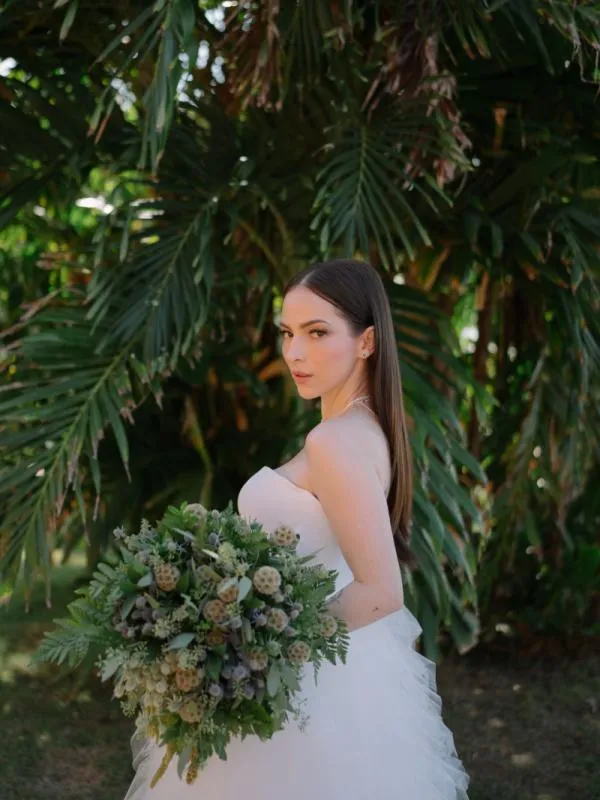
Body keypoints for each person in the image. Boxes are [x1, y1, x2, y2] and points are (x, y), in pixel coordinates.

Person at [124, 258, 470, 799]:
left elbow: (381, 591)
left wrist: (252, 645)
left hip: (304, 690)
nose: (295, 353)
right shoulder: (357, 429)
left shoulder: (335, 442)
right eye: (288, 333)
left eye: (317, 332)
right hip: (333, 673)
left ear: (366, 341)